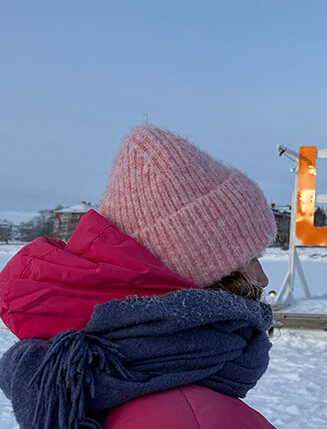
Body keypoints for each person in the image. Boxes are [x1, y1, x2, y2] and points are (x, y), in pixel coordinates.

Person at [0, 125, 278, 428]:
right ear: (193, 270)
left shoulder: (94, 376)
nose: (262, 279)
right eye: (248, 259)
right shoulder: (193, 416)